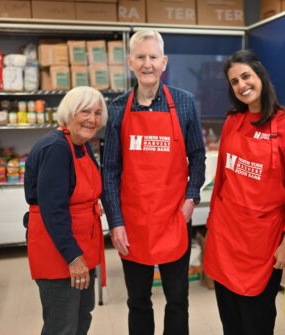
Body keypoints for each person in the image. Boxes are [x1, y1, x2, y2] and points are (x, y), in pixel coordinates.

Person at [101, 30, 205, 335]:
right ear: (130, 62)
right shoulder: (118, 108)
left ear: (164, 62)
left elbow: (197, 156)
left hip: (174, 218)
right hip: (132, 224)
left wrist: (191, 198)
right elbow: (109, 170)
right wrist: (115, 221)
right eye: (141, 57)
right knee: (138, 301)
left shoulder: (184, 103)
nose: (148, 64)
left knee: (177, 300)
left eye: (154, 57)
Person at [203, 50, 285, 335]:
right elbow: (221, 178)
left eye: (246, 76)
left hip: (263, 239)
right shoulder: (232, 122)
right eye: (234, 81)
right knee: (230, 319)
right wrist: (212, 226)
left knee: (257, 320)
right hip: (226, 235)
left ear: (260, 75)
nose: (241, 85)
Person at [24, 86, 108, 335]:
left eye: (97, 112)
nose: (92, 119)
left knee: (82, 315)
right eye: (85, 111)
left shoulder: (80, 144)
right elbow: (53, 211)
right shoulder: (56, 148)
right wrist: (73, 258)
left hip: (82, 245)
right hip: (60, 252)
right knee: (62, 325)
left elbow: (75, 191)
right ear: (69, 112)